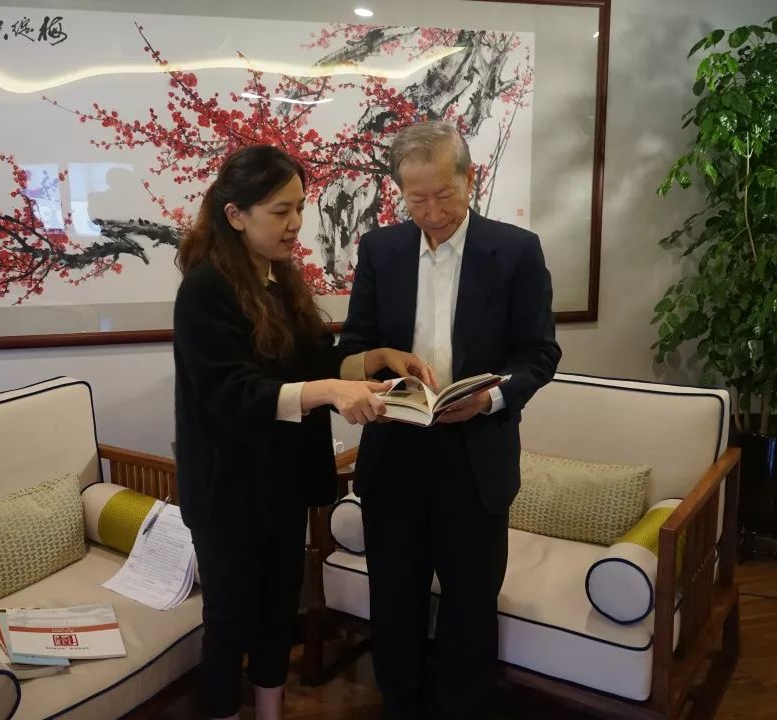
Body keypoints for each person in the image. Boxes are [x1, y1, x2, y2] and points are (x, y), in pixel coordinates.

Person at [172, 144, 431, 720]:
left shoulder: (280, 280)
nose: (295, 224)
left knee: (277, 612)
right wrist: (331, 392)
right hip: (228, 489)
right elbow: (235, 391)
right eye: (280, 211)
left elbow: (314, 360)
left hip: (281, 483)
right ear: (235, 215)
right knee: (230, 621)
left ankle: (270, 713)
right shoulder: (205, 290)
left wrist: (374, 361)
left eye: (299, 208)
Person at [338, 120, 562, 719]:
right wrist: (381, 361)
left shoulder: (515, 251)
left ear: (470, 179)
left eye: (445, 194)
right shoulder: (380, 250)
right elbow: (352, 348)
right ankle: (402, 706)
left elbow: (540, 355)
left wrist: (488, 399)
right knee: (394, 605)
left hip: (475, 456)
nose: (433, 213)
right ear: (399, 192)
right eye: (417, 200)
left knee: (470, 606)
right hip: (395, 455)